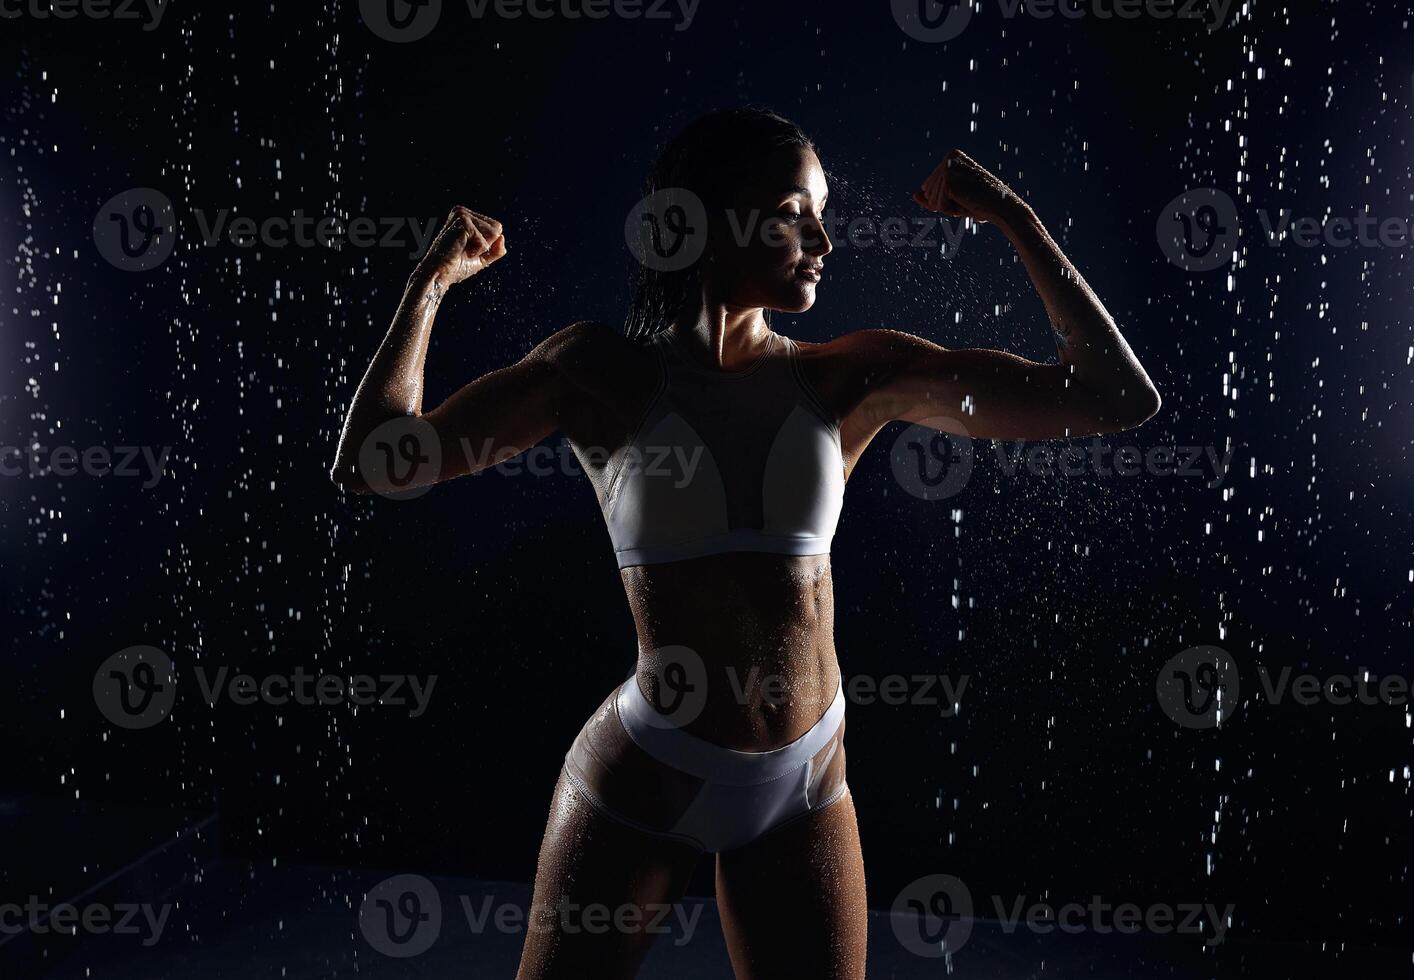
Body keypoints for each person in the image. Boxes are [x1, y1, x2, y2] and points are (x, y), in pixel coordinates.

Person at [330, 107, 1160, 979]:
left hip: (803, 787)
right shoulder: (597, 375)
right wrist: (431, 281)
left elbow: (1113, 395)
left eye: (825, 213)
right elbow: (373, 463)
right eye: (796, 212)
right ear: (714, 217)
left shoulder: (848, 376)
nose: (825, 240)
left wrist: (1012, 217)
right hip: (646, 771)